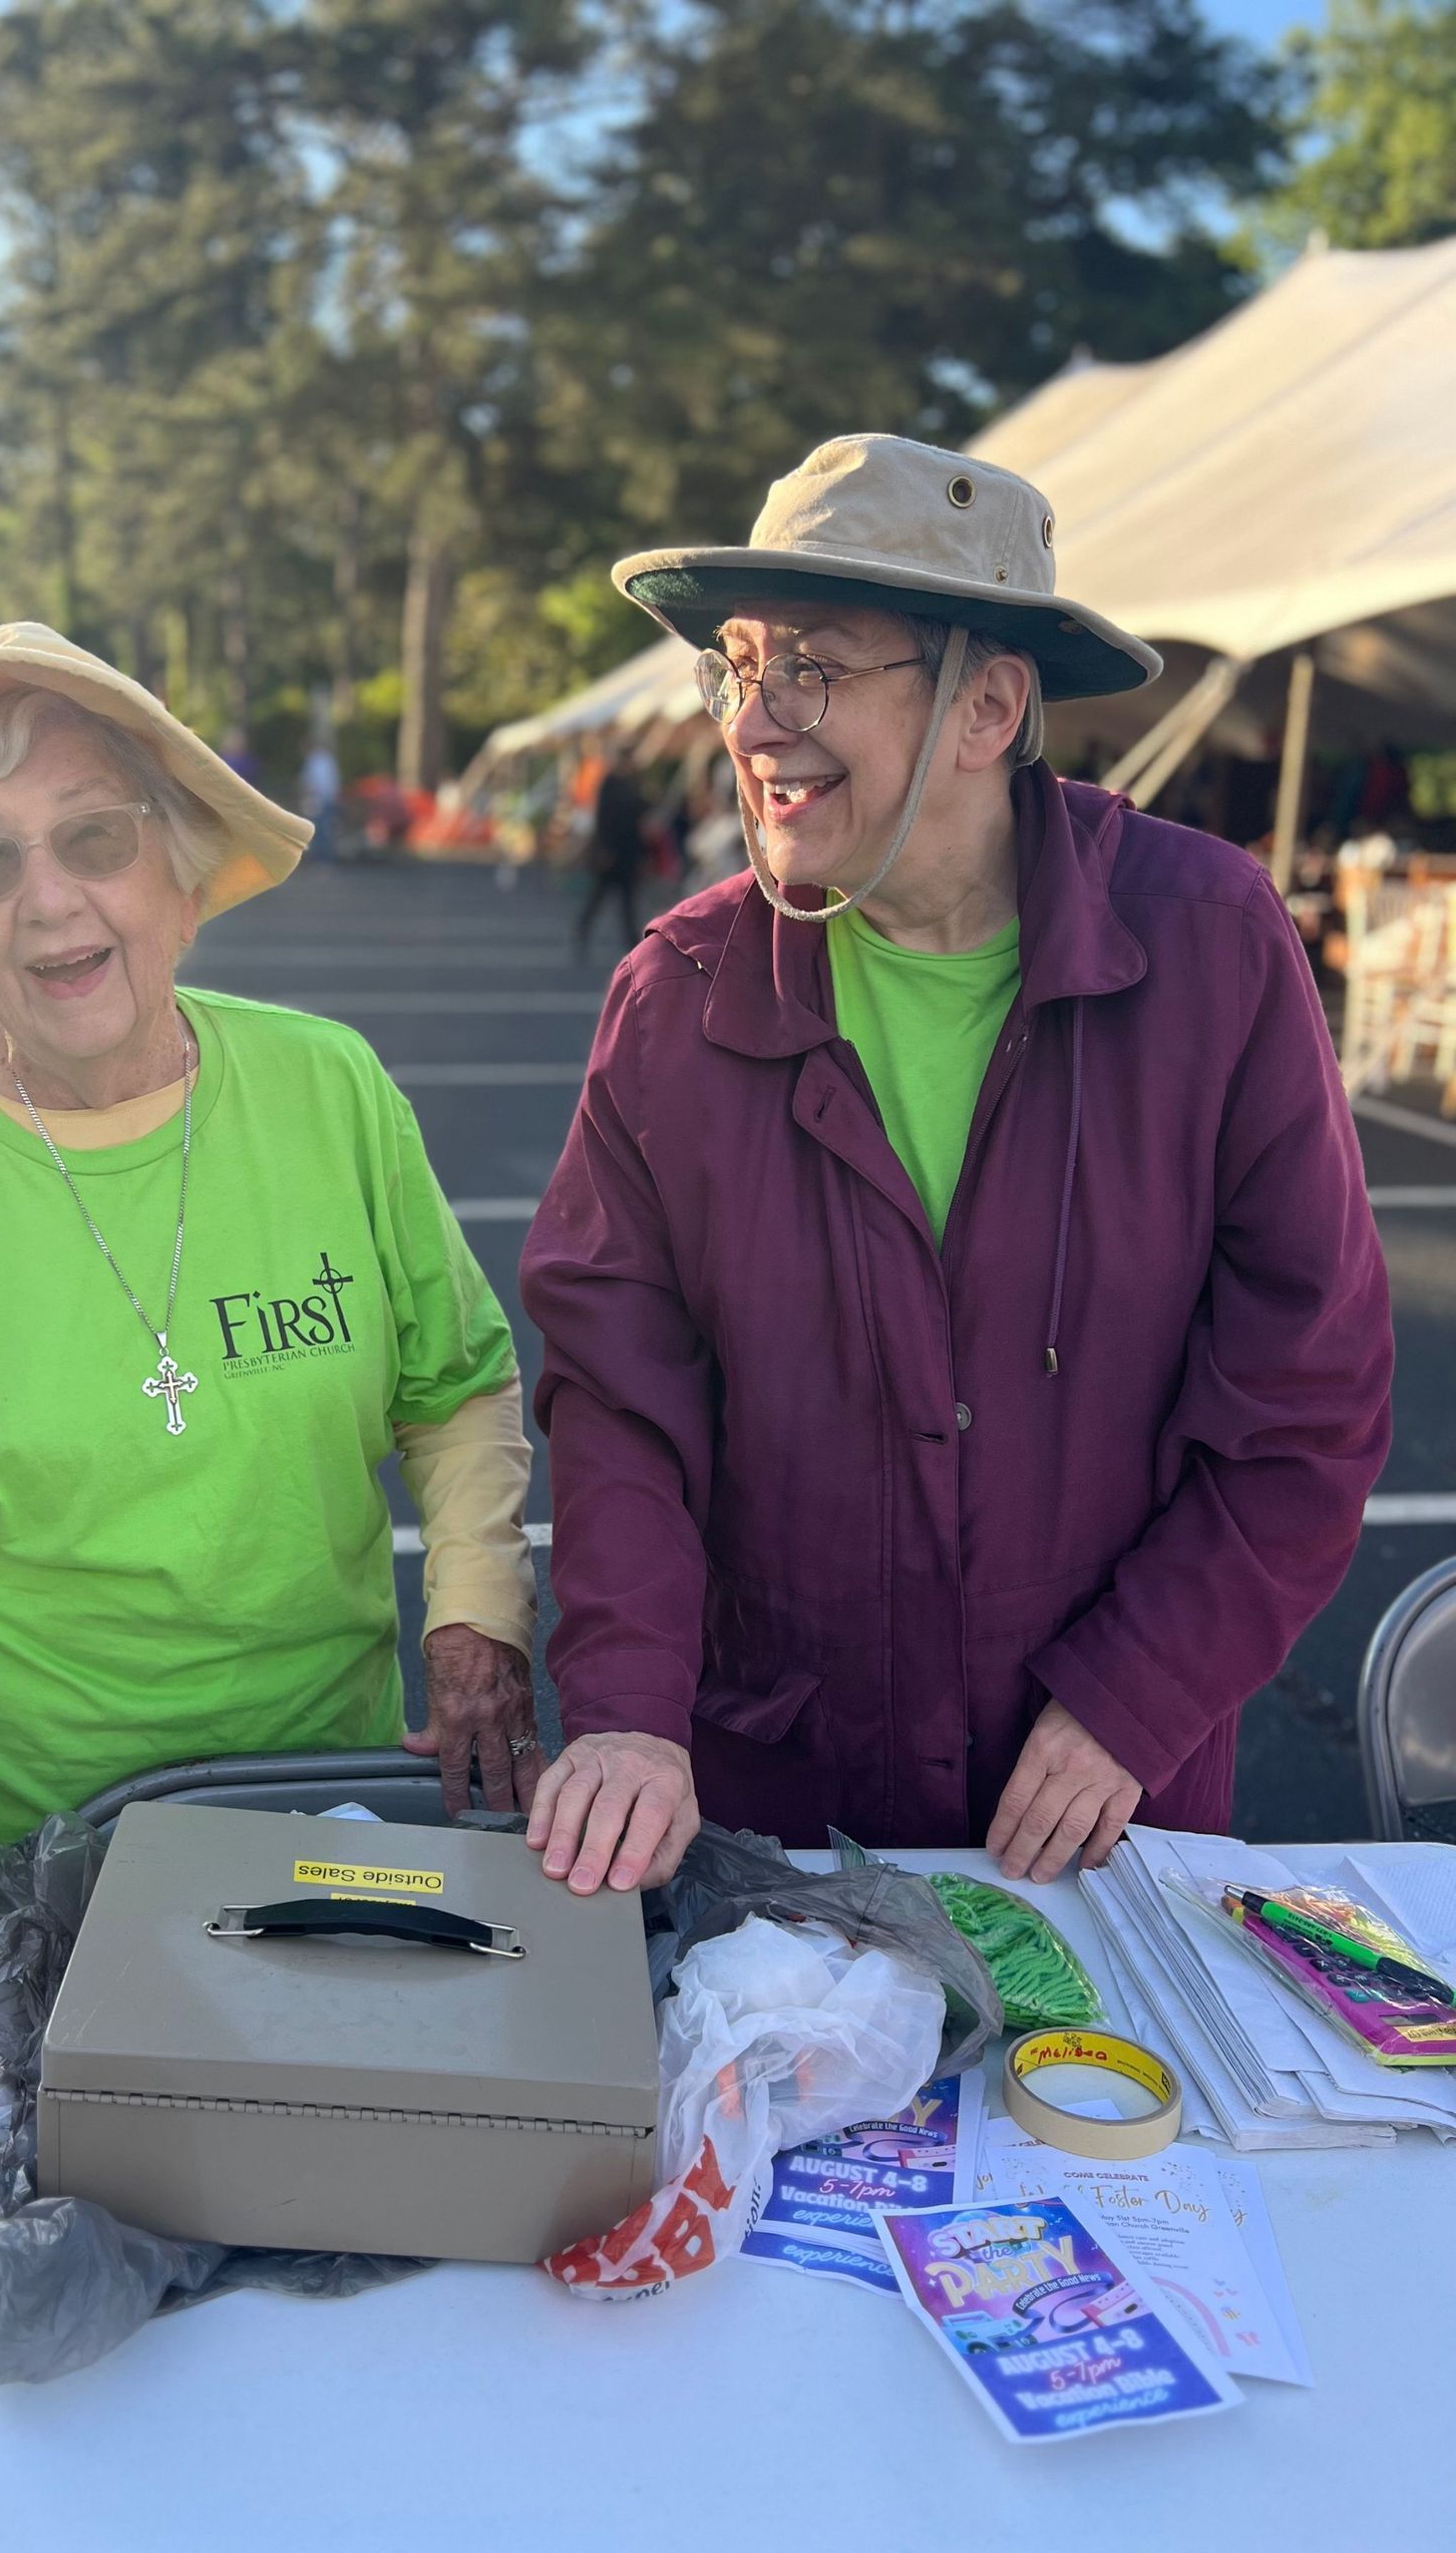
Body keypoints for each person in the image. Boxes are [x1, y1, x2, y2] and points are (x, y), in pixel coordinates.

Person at [520, 435, 1391, 1900]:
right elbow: (622, 1403)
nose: (754, 723)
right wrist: (625, 1711)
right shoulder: (678, 995)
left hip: (1107, 1809)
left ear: (988, 703)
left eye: (813, 665)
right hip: (778, 1812)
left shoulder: (1212, 946)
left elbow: (1306, 1397)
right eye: (736, 667)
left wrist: (1139, 1691)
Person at [0, 624, 541, 2026]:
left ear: (175, 869)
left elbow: (455, 1384)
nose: (49, 904)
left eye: (92, 838)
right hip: (25, 1849)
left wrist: (476, 1619)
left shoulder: (327, 1088)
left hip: (324, 1808)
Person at [575, 743, 649, 958]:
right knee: (598, 898)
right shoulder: (610, 783)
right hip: (611, 852)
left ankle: (635, 948)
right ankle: (582, 933)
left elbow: (641, 812)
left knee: (628, 904)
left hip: (629, 853)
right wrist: (603, 848)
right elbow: (603, 819)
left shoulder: (634, 783)